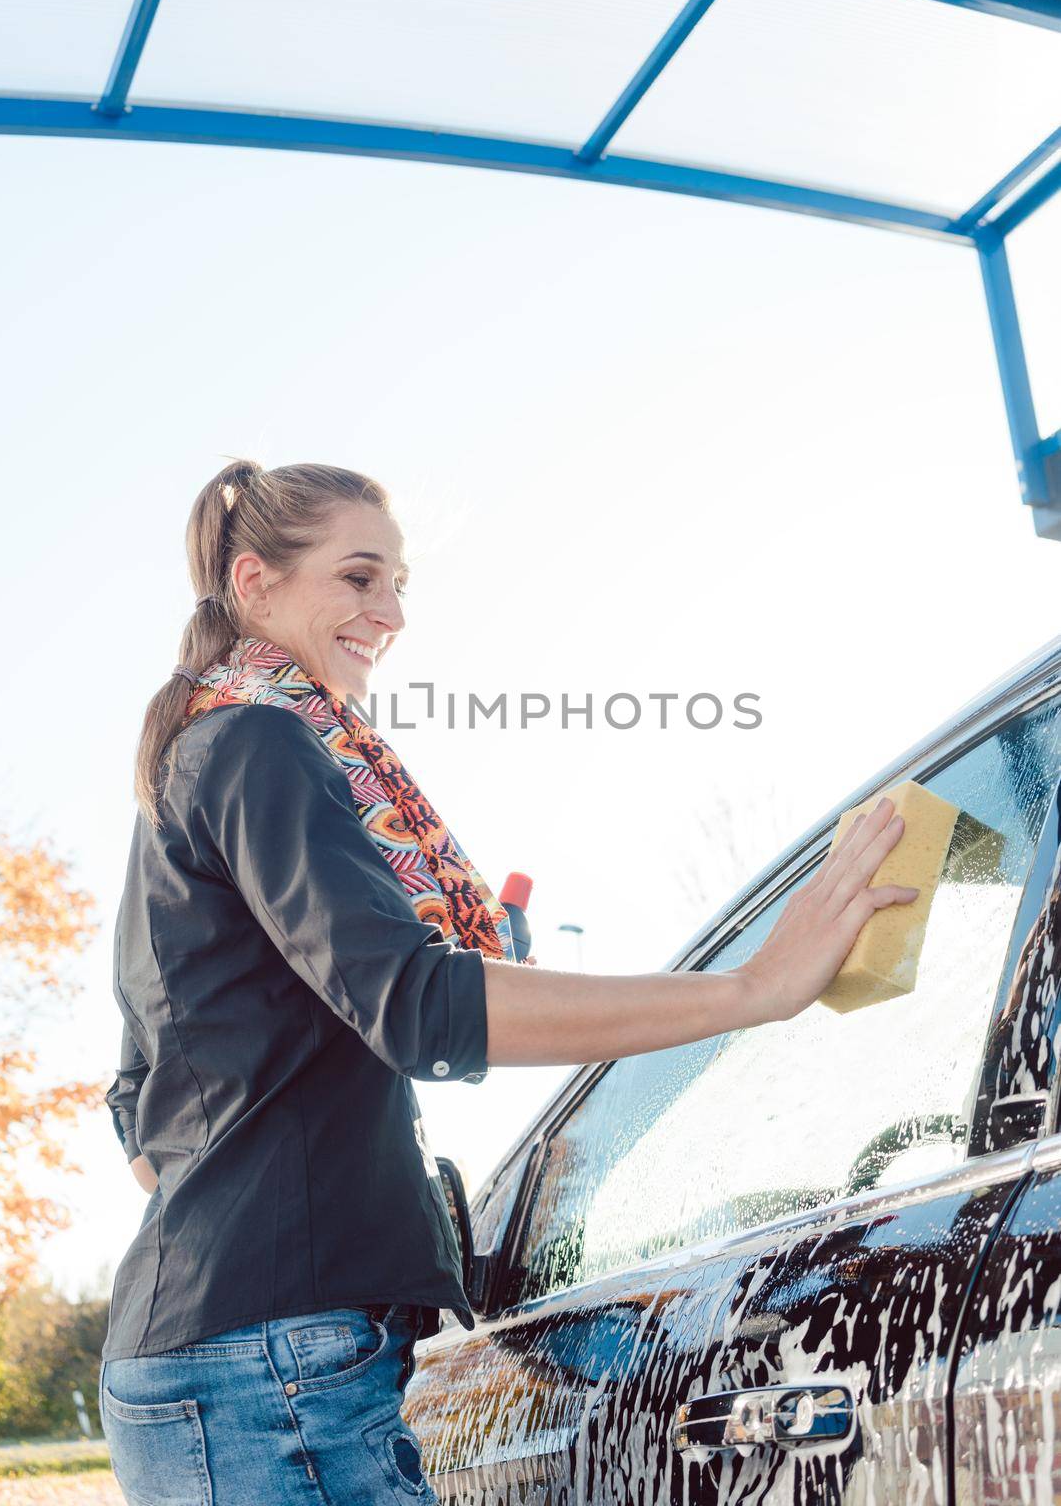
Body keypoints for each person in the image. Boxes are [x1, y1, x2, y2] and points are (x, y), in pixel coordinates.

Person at [98, 458, 917, 1506]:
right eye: (357, 578)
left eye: (397, 582)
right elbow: (416, 1004)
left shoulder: (193, 760)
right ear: (255, 583)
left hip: (207, 1361)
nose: (388, 612)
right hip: (270, 1370)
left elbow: (140, 1111)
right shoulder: (262, 741)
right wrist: (748, 988)